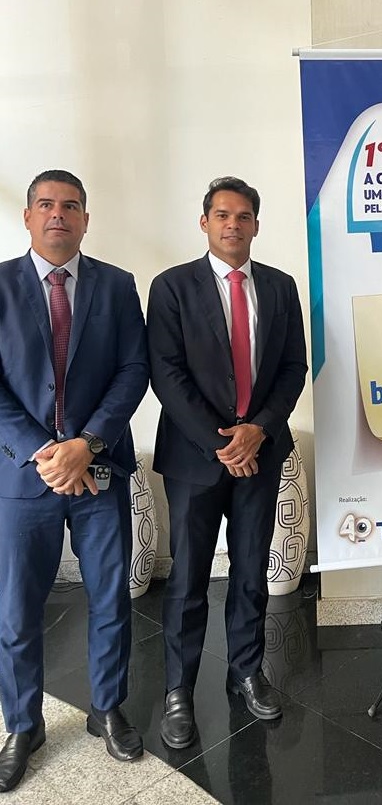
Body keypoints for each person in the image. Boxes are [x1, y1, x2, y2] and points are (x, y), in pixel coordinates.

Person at [0, 170, 149, 793]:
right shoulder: (0, 285)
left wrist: (86, 445)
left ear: (86, 219)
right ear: (28, 217)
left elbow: (134, 369)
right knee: (16, 609)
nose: (57, 214)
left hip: (100, 470)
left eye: (70, 206)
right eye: (46, 204)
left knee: (111, 598)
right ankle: (22, 724)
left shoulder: (117, 285)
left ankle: (106, 708)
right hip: (24, 475)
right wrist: (48, 453)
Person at [147, 176, 307, 749]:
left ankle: (246, 671)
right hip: (196, 458)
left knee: (250, 571)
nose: (232, 224)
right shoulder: (172, 287)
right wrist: (223, 443)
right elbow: (166, 374)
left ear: (256, 225)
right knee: (189, 577)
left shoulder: (281, 287)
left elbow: (293, 368)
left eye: (243, 216)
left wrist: (258, 431)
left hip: (260, 453)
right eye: (222, 215)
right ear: (205, 223)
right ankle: (178, 691)